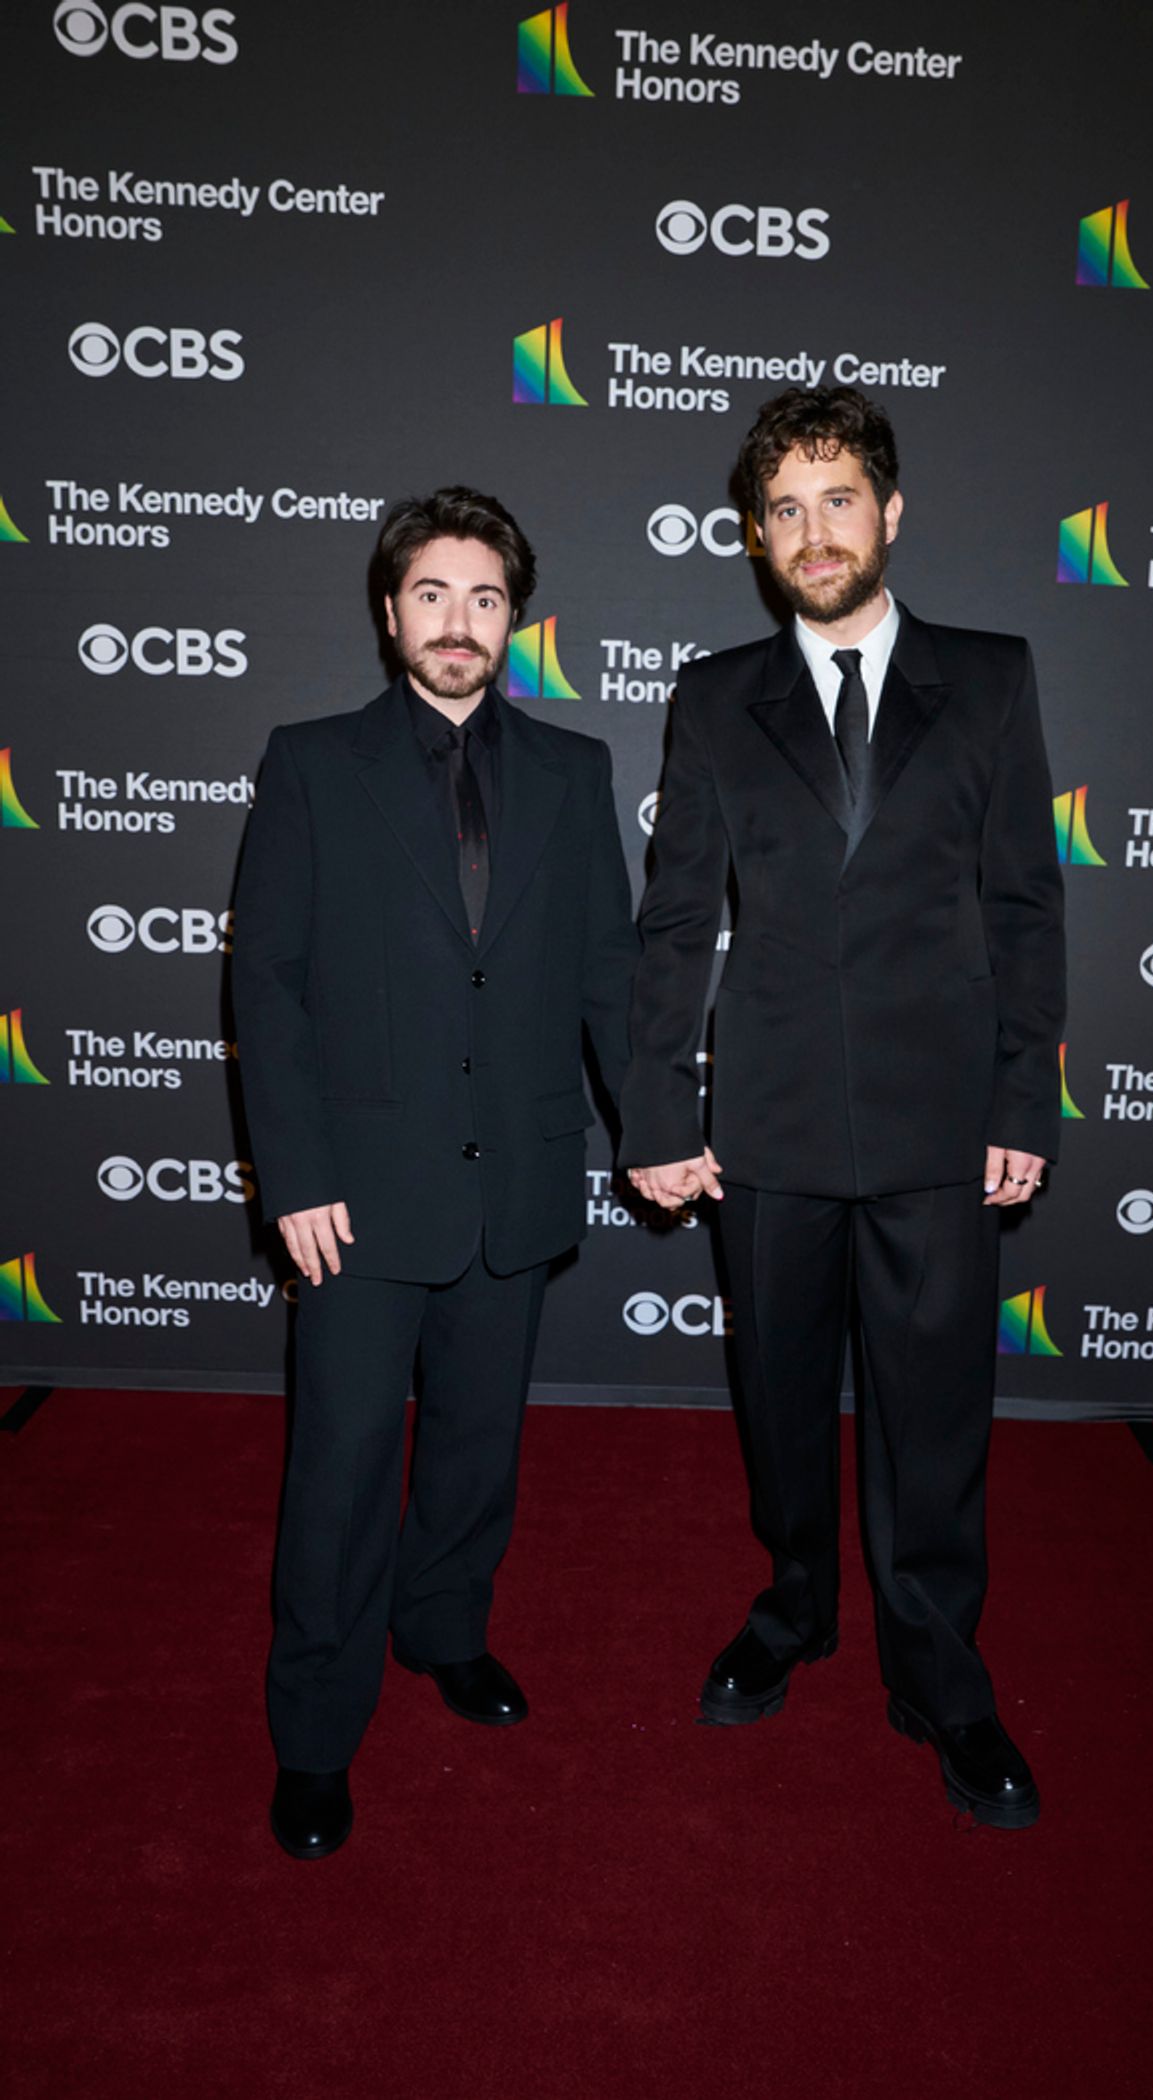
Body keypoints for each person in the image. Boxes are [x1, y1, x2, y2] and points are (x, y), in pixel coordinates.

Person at [621, 389, 1064, 1829]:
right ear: (758, 538)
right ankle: (795, 1605)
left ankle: (939, 1672)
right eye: (785, 510)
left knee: (935, 1422)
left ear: (891, 511)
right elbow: (675, 920)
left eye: (839, 499)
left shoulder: (990, 677)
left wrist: (1023, 1097)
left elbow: (1024, 902)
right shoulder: (713, 698)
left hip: (942, 1123)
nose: (814, 532)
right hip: (771, 1122)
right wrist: (656, 1113)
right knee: (780, 1399)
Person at [233, 486, 636, 1858]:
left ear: (514, 618)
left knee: (476, 1446)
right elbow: (269, 983)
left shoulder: (575, 770)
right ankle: (313, 1731)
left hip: (513, 1178)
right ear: (389, 610)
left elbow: (607, 974)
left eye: (484, 598)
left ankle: (445, 1627)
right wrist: (294, 1175)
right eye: (432, 594)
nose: (458, 622)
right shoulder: (311, 763)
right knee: (341, 1469)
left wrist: (652, 1128)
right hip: (353, 1195)